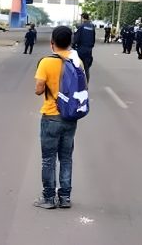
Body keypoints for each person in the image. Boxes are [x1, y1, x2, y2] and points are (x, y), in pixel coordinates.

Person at [33, 26, 84, 209]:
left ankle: (48, 198)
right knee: (66, 158)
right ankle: (65, 198)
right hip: (71, 117)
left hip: (51, 116)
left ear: (52, 43)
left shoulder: (46, 62)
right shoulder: (77, 62)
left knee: (48, 159)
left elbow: (39, 90)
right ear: (70, 42)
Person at [72, 13, 96, 82]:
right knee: (86, 68)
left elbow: (76, 38)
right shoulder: (92, 26)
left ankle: (78, 84)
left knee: (77, 67)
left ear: (82, 18)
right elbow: (93, 38)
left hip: (80, 50)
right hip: (89, 50)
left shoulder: (81, 26)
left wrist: (73, 46)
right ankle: (86, 84)